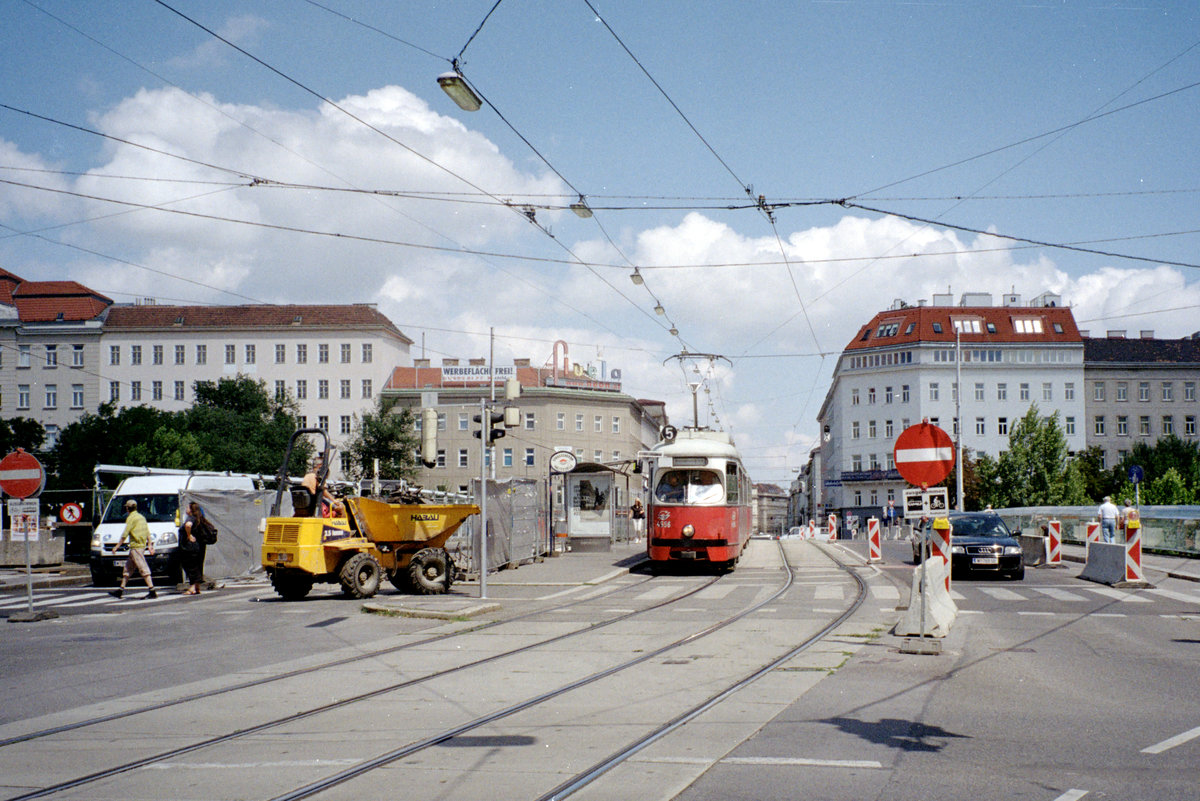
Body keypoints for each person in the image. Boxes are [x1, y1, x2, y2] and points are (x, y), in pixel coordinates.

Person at [109, 499, 157, 599]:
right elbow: (147, 532)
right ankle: (120, 590)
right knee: (128, 569)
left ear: (127, 508)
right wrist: (150, 544)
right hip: (140, 546)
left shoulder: (131, 518)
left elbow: (125, 533)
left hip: (136, 547)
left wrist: (117, 546)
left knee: (143, 568)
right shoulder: (141, 517)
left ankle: (152, 590)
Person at [179, 500, 209, 596]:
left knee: (190, 566)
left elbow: (188, 525)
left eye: (187, 507)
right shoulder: (200, 518)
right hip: (199, 546)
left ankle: (192, 587)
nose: (186, 509)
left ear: (191, 510)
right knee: (197, 566)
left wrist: (188, 535)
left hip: (190, 547)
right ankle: (197, 587)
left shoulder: (191, 518)